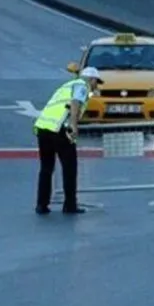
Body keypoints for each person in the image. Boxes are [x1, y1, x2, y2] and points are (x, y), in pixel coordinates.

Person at [33, 67, 103, 215]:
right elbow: (75, 103)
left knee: (46, 169)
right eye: (97, 82)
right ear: (91, 79)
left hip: (43, 128)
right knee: (69, 169)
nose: (97, 85)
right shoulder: (82, 86)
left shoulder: (66, 86)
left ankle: (41, 205)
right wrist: (73, 126)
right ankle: (70, 205)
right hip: (60, 130)